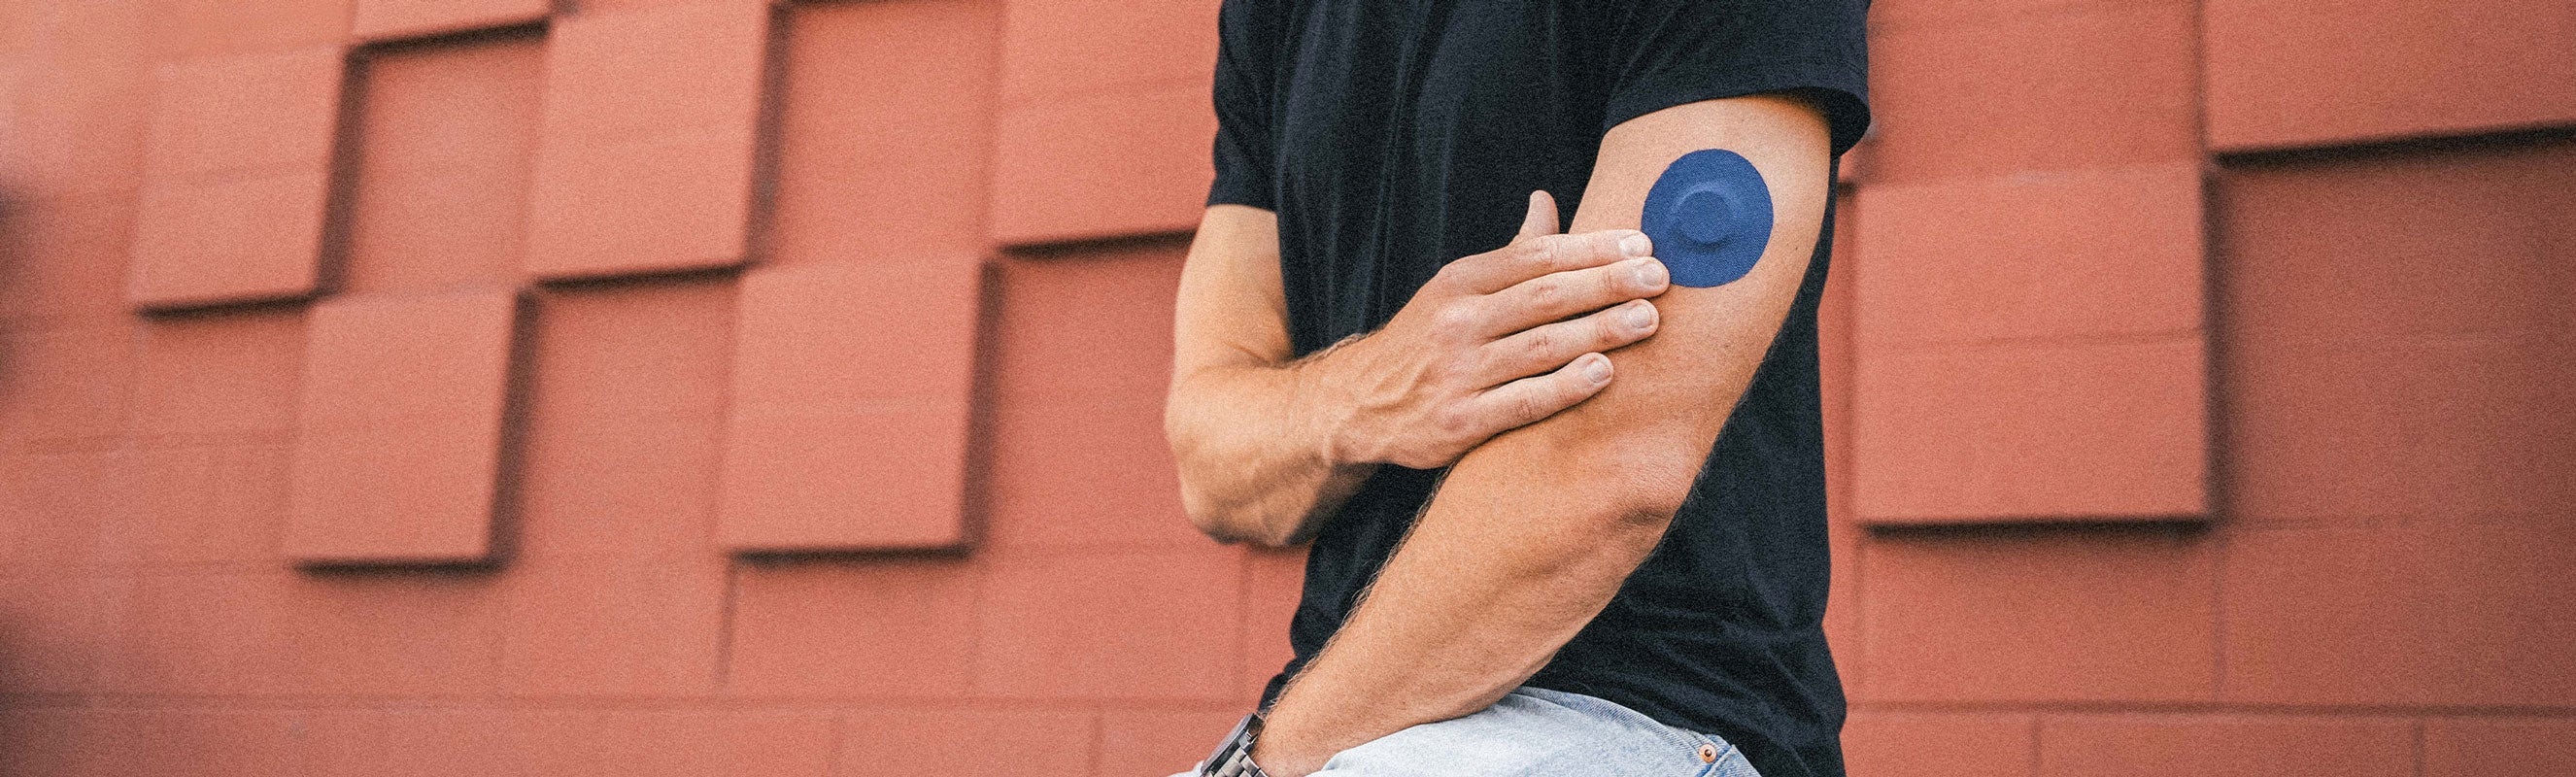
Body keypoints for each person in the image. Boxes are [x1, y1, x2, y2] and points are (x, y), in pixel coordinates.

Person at [1163, 1, 1871, 774]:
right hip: (1348, 718)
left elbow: (1607, 473)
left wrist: (1263, 763)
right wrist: (1373, 389)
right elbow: (1213, 469)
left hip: (1651, 718)